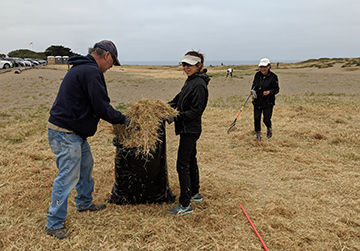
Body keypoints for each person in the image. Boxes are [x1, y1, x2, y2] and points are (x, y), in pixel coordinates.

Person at [45, 40, 130, 239]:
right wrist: (123, 120)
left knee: (85, 166)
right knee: (68, 176)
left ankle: (84, 203)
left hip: (73, 132)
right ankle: (54, 223)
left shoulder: (81, 68)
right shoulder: (92, 72)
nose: (111, 67)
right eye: (112, 62)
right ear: (107, 56)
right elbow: (101, 106)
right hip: (66, 132)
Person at [167, 51, 210, 215]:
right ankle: (195, 193)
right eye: (184, 64)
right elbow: (177, 100)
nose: (186, 67)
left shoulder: (199, 84)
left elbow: (196, 111)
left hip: (191, 128)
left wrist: (175, 116)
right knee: (191, 159)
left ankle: (185, 205)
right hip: (187, 128)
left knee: (182, 164)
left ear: (199, 65)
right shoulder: (190, 82)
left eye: (189, 65)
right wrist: (163, 108)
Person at [251, 58, 279, 141]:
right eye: (261, 67)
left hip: (268, 102)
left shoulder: (273, 77)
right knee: (256, 119)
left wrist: (270, 92)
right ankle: (258, 136)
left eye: (264, 67)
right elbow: (254, 85)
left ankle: (269, 127)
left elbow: (276, 89)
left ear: (269, 66)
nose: (262, 69)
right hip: (257, 101)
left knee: (266, 119)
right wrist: (252, 91)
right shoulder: (257, 75)